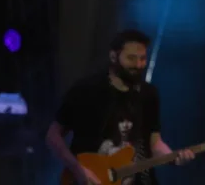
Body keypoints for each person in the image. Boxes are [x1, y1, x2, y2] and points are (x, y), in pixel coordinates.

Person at [46, 29, 196, 185]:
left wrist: (173, 157)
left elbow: (155, 143)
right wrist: (77, 169)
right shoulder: (86, 90)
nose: (138, 65)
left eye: (142, 59)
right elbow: (53, 136)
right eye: (131, 58)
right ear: (113, 56)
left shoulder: (148, 94)